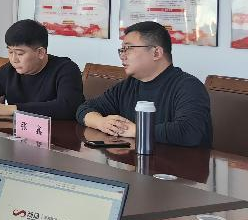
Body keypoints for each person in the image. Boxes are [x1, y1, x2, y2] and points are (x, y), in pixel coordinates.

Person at [77, 21, 212, 147]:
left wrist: (136, 130)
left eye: (128, 48)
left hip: (178, 163)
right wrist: (101, 123)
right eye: (121, 50)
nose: (122, 56)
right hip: (136, 160)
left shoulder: (189, 87)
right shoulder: (128, 85)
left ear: (156, 53)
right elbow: (85, 108)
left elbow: (190, 131)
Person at [0, 19, 84, 120]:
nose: (13, 59)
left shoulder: (66, 69)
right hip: (17, 134)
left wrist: (13, 109)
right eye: (10, 52)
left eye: (20, 53)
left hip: (58, 136)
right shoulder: (11, 70)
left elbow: (67, 106)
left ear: (40, 53)